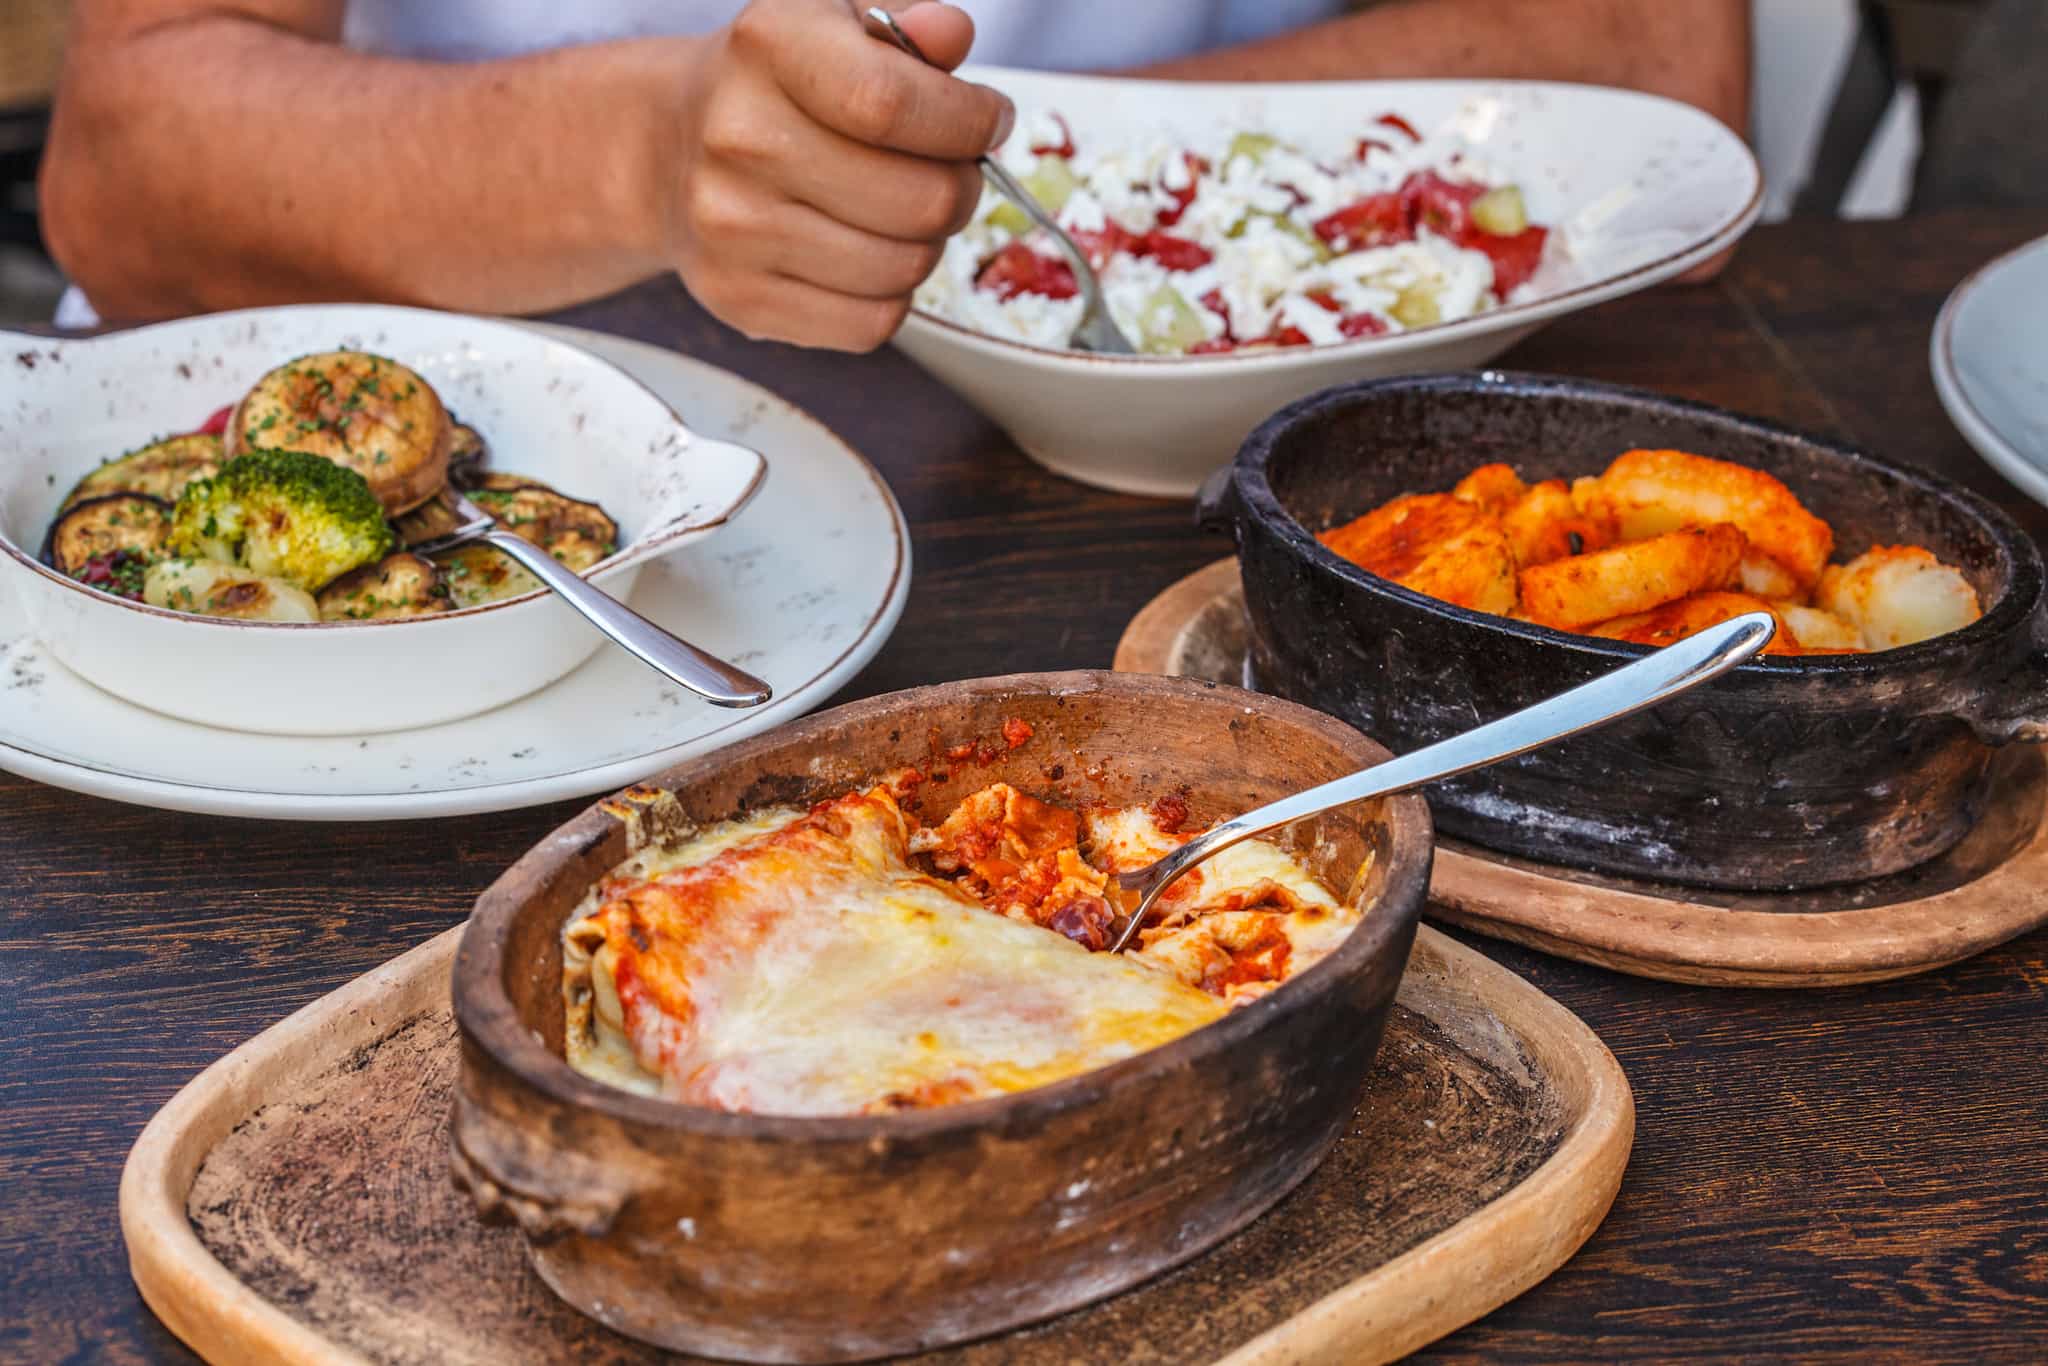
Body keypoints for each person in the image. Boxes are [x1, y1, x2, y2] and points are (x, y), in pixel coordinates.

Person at [41, 0, 1749, 349]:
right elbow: (132, 177)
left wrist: (1037, 148)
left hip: (1284, 446)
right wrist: (643, 153)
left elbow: (1651, 63)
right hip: (474, 464)